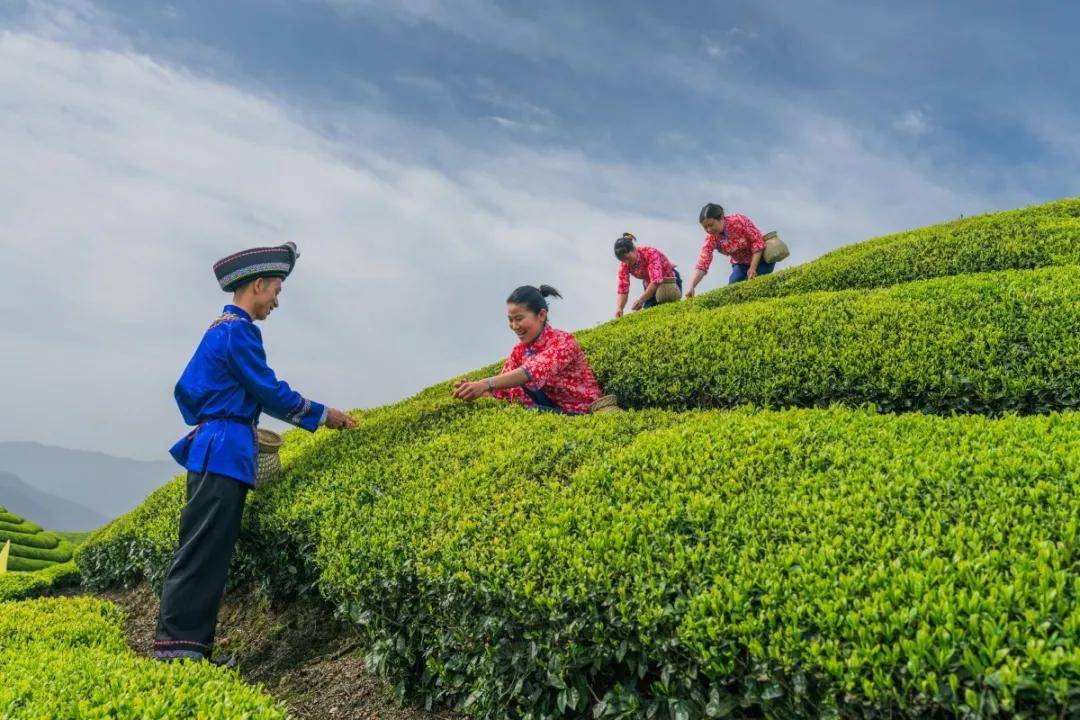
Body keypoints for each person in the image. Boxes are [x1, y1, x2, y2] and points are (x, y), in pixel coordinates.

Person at [154, 241, 356, 663]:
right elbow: (268, 389)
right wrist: (322, 415)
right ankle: (179, 654)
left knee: (202, 549)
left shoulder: (216, 330)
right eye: (276, 292)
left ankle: (186, 648)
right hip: (225, 450)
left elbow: (186, 391)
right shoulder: (239, 332)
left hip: (211, 445)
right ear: (258, 285)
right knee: (204, 554)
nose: (276, 303)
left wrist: (220, 413)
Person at [452, 285, 603, 415]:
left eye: (519, 319)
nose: (514, 326)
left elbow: (530, 372)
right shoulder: (519, 351)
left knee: (532, 411)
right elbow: (502, 392)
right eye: (510, 320)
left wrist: (484, 383)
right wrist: (473, 389)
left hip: (582, 412)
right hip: (552, 409)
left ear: (542, 315)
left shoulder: (563, 342)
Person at [686, 204, 774, 296]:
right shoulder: (711, 239)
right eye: (705, 227)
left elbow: (757, 242)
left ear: (721, 218)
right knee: (732, 289)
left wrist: (752, 268)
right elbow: (703, 264)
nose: (709, 230)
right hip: (740, 264)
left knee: (756, 285)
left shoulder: (738, 221)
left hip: (760, 259)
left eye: (711, 225)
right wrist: (691, 286)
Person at [614, 233, 682, 318]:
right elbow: (623, 289)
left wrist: (641, 300)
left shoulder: (650, 253)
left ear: (634, 249)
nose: (627, 262)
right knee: (650, 315)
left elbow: (656, 280)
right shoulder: (624, 265)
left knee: (671, 313)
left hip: (669, 281)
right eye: (623, 260)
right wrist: (620, 307)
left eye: (628, 258)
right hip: (650, 286)